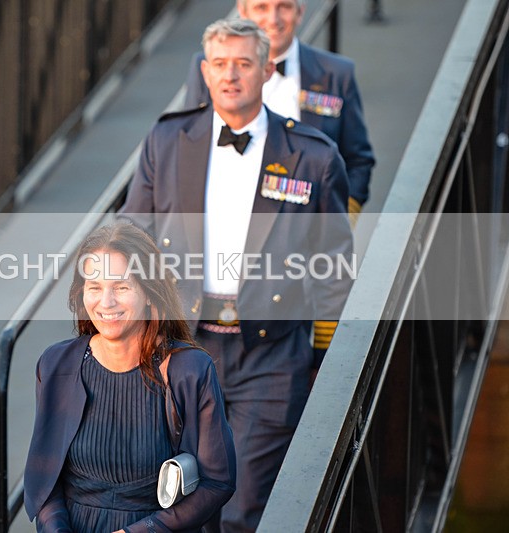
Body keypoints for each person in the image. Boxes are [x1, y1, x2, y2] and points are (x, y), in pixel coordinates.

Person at [120, 19, 353, 532]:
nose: (231, 75)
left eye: (244, 63)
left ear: (267, 71)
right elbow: (131, 240)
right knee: (177, 500)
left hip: (271, 355)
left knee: (244, 507)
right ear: (204, 72)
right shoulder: (167, 139)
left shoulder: (313, 157)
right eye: (220, 64)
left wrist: (323, 357)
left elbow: (334, 265)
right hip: (180, 350)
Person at [24, 223, 236, 532]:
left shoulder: (190, 370)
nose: (106, 302)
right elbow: (45, 478)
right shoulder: (57, 365)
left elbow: (217, 481)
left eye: (121, 287)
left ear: (149, 294)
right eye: (94, 287)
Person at [184, 0, 375, 219]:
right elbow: (190, 147)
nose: (273, 19)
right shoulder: (212, 68)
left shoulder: (335, 73)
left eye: (283, 6)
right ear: (242, 12)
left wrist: (340, 220)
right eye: (261, 8)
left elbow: (358, 160)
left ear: (300, 12)